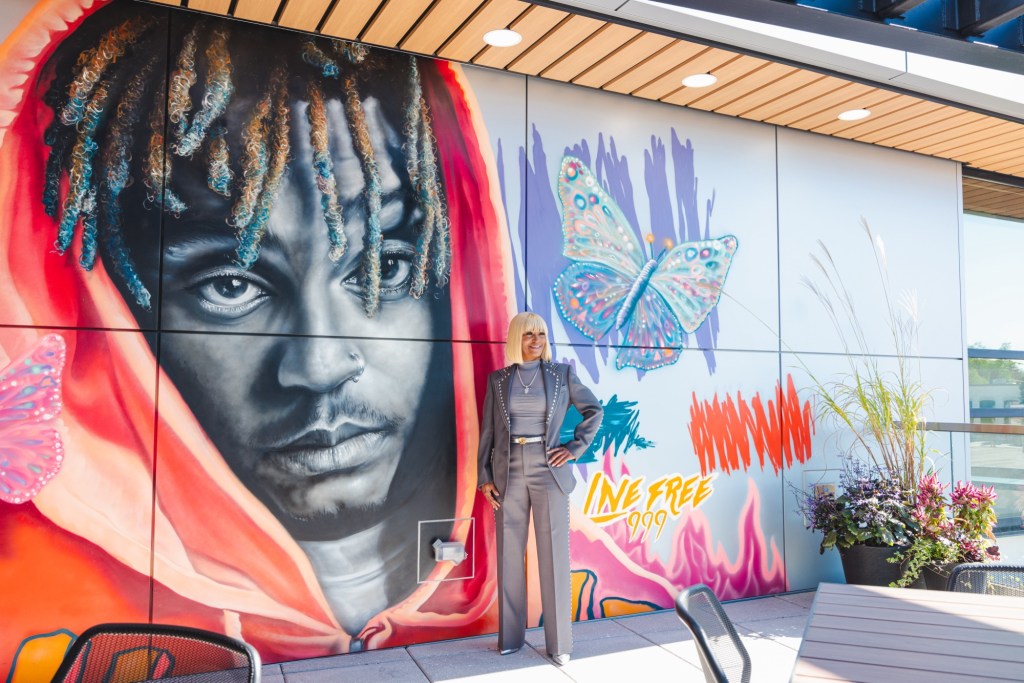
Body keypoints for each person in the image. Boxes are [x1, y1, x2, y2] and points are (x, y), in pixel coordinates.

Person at [0, 0, 511, 671]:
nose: (320, 364)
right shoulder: (25, 594)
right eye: (231, 285)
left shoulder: (570, 562)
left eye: (384, 267)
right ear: (103, 308)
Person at [477, 311, 603, 666]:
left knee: (553, 557)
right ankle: (510, 640)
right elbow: (488, 431)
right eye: (529, 334)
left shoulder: (561, 374)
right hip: (508, 472)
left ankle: (560, 644)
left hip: (549, 469)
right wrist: (484, 476)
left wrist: (574, 448)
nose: (536, 340)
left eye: (541, 334)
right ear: (516, 337)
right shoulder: (498, 380)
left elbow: (594, 410)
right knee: (509, 555)